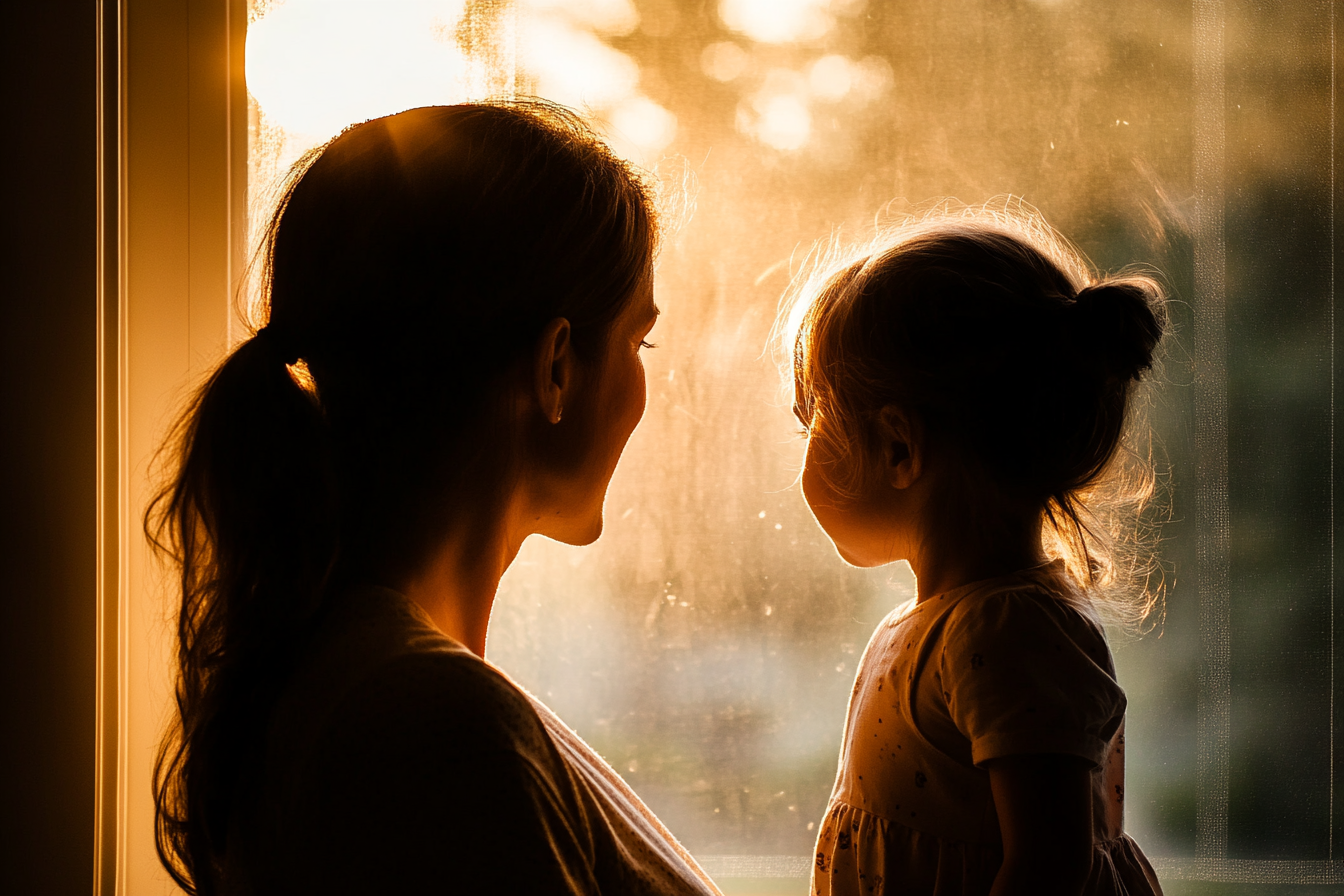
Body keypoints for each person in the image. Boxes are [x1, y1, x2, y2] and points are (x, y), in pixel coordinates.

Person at [149, 103, 721, 896]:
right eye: (637, 340)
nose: (644, 378)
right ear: (557, 365)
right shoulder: (436, 727)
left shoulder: (361, 676)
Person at [784, 210, 1167, 896]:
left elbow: (1047, 869)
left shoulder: (1008, 631)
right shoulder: (948, 623)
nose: (804, 450)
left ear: (898, 448)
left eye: (812, 419)